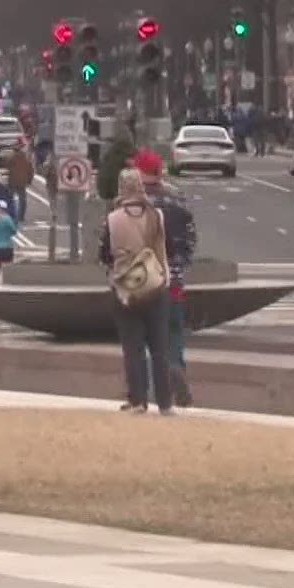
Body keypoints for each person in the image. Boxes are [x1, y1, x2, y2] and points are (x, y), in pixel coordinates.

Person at [100, 170, 175, 414]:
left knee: (133, 348)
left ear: (122, 188)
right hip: (156, 286)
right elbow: (169, 249)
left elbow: (104, 254)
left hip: (126, 290)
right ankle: (165, 403)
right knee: (160, 348)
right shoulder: (157, 216)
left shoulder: (113, 219)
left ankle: (138, 401)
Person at [135, 152, 197, 408]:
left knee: (145, 335)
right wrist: (180, 266)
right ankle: (176, 368)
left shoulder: (131, 205)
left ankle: (151, 387)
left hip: (142, 280)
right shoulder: (177, 201)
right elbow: (191, 240)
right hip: (174, 280)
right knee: (174, 332)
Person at [6, 143, 36, 224]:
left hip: (12, 181)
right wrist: (29, 180)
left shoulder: (12, 157)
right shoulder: (26, 159)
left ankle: (10, 214)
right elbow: (31, 171)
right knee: (22, 200)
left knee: (9, 198)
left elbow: (7, 165)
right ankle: (21, 216)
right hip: (22, 182)